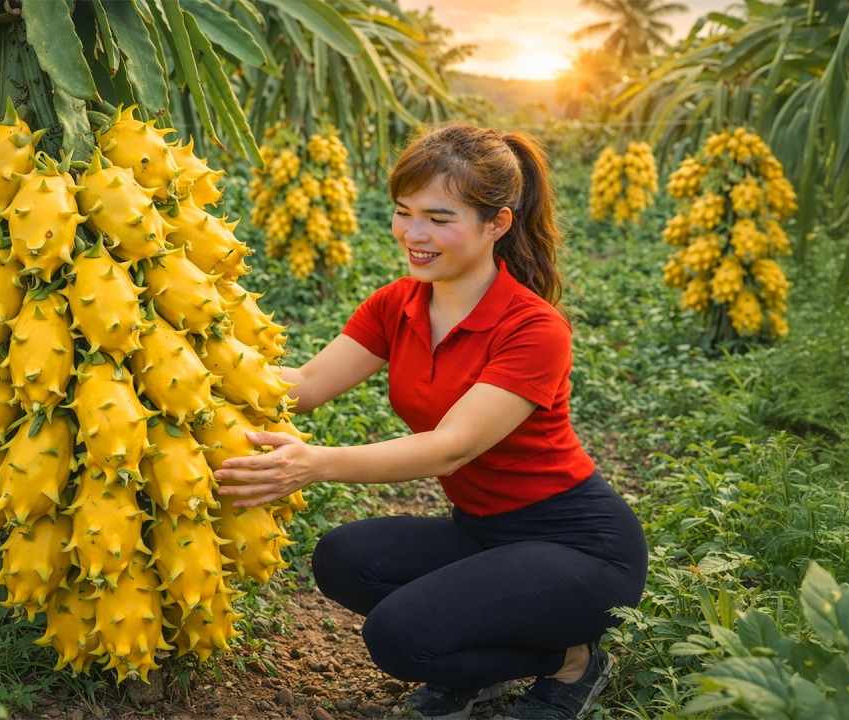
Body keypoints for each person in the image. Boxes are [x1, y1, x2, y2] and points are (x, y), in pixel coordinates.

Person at [214, 121, 649, 720]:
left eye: (439, 218)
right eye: (403, 211)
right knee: (342, 558)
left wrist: (317, 465)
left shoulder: (533, 329)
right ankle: (490, 660)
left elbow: (450, 448)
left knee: (400, 637)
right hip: (481, 532)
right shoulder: (398, 303)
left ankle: (571, 660)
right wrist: (189, 374)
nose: (414, 234)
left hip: (579, 548)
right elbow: (306, 386)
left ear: (497, 223)